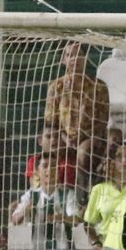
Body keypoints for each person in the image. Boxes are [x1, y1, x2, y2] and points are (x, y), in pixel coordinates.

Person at [43, 41, 109, 185]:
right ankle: (51, 193)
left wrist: (84, 137)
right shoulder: (56, 87)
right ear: (63, 60)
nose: (74, 59)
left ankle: (81, 199)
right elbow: (51, 121)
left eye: (78, 55)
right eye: (69, 55)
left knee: (83, 152)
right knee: (50, 149)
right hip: (62, 137)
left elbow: (103, 120)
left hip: (90, 137)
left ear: (86, 58)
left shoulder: (99, 86)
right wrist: (65, 138)